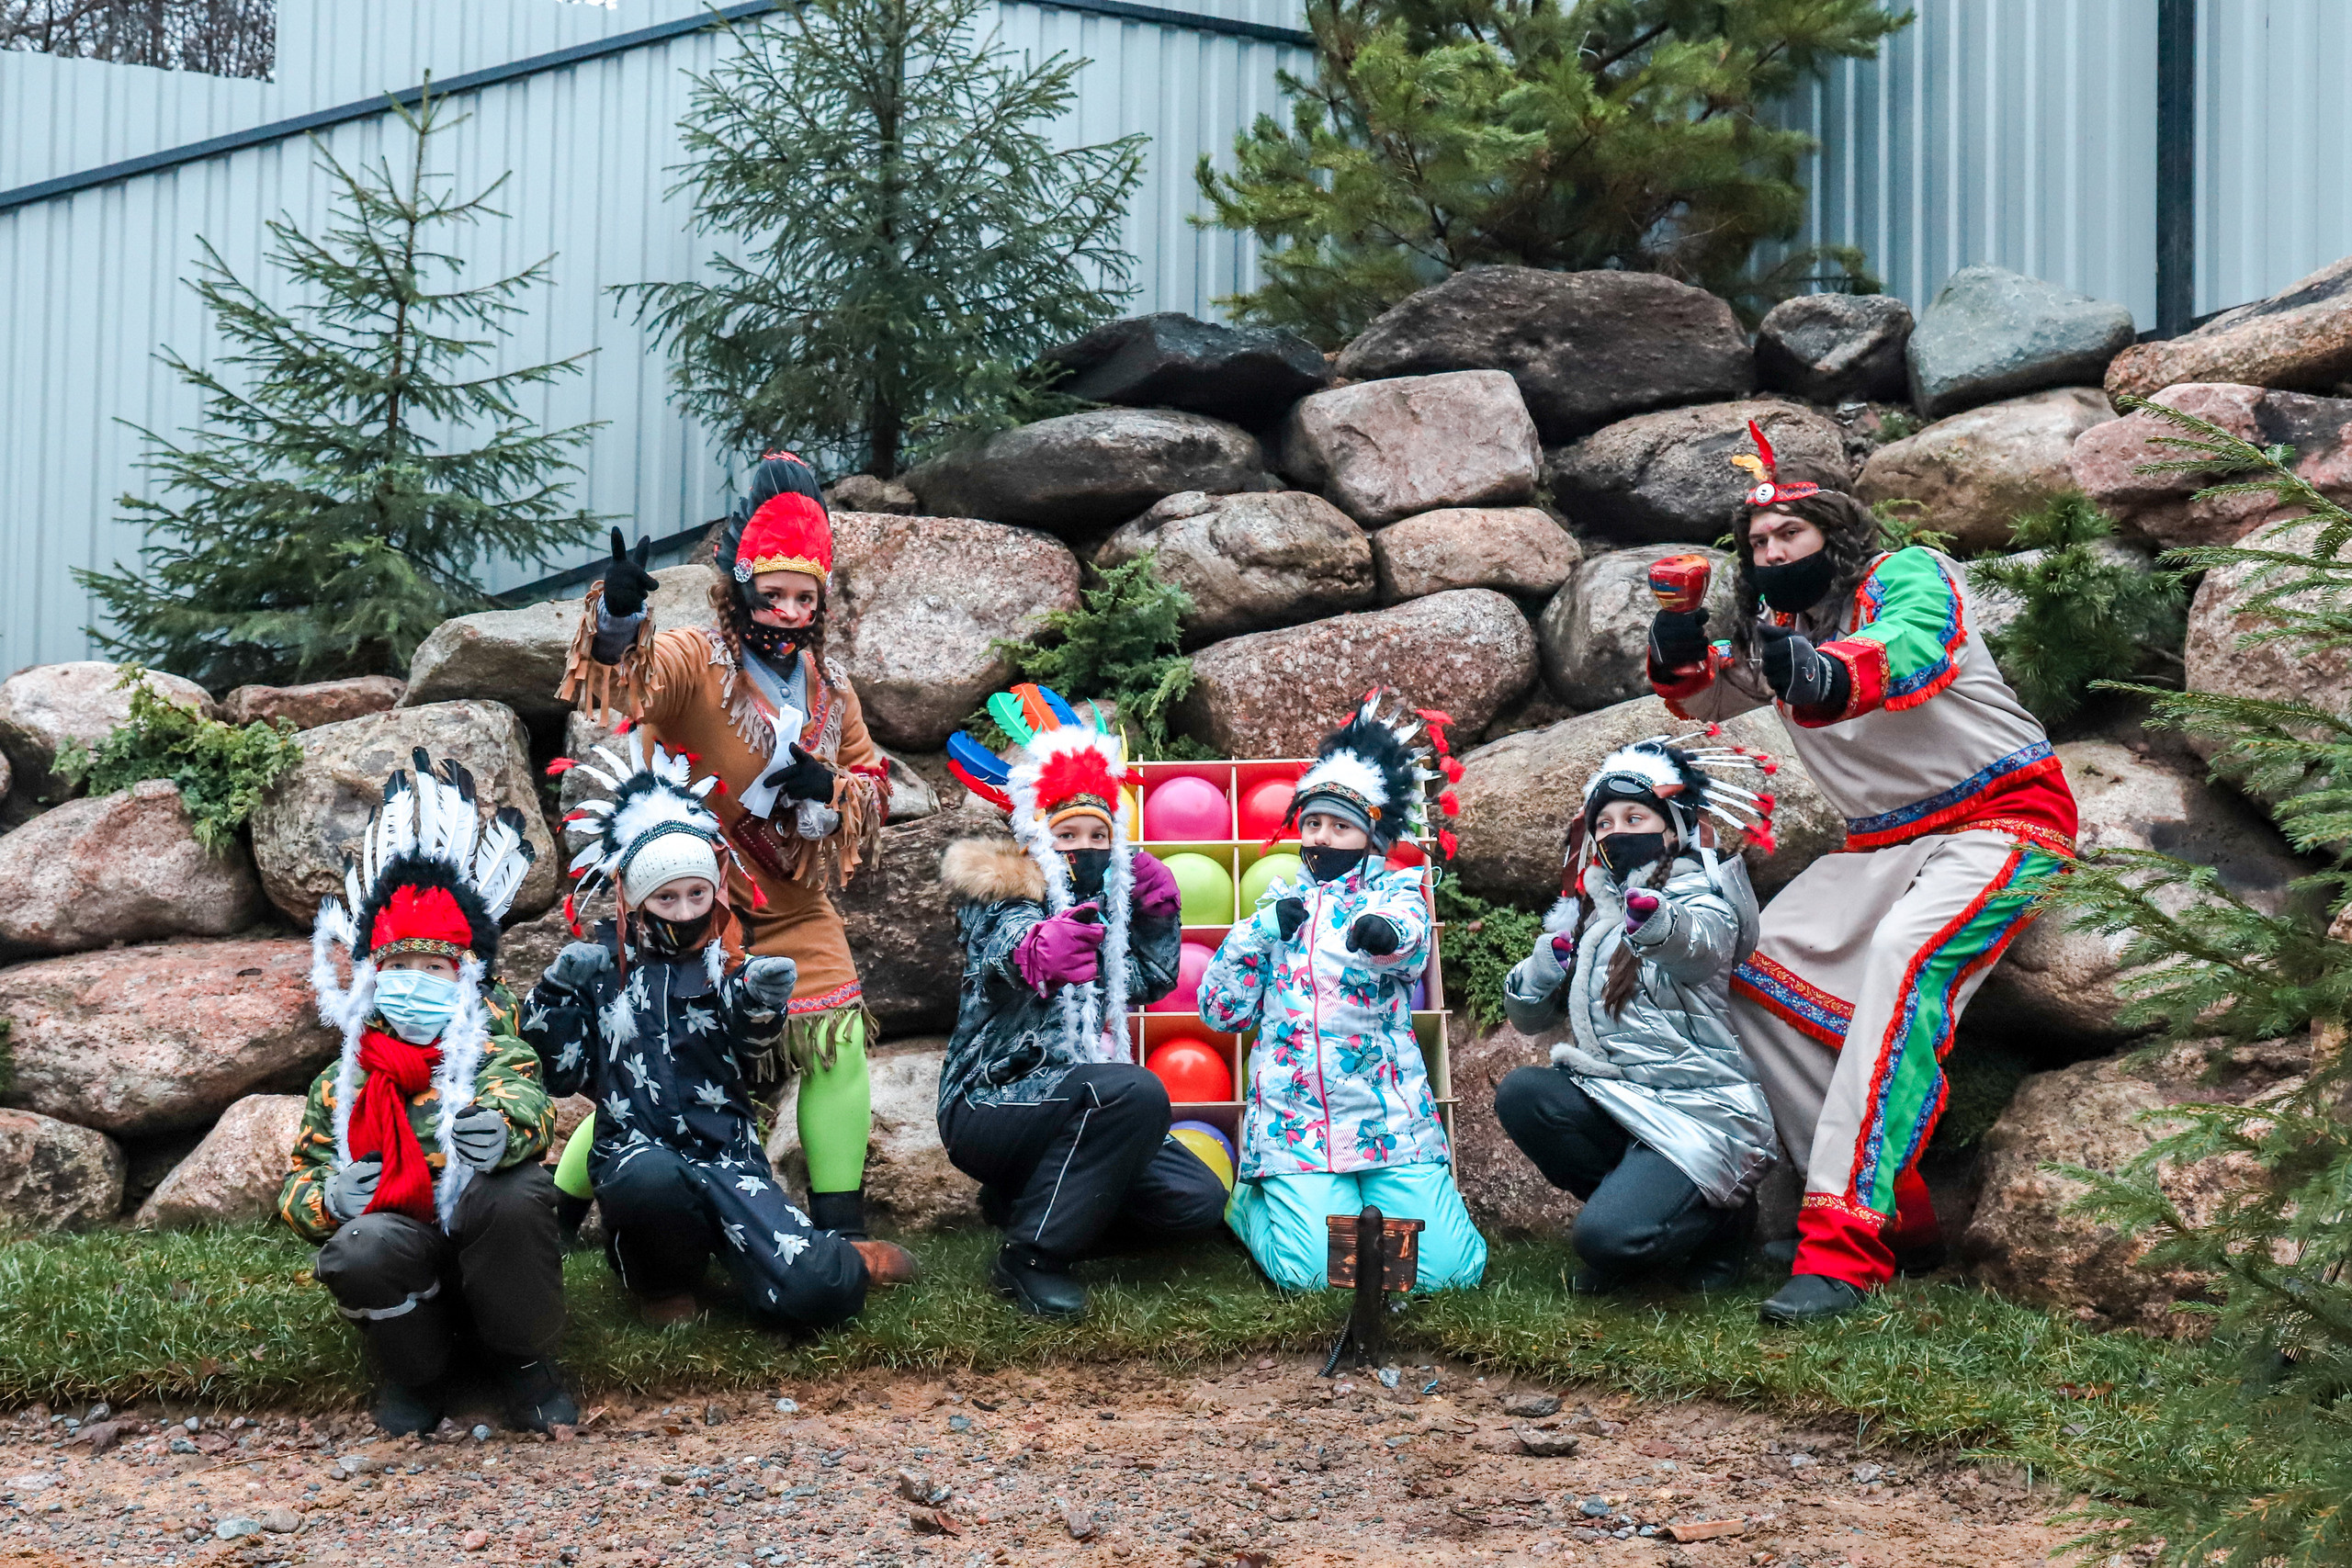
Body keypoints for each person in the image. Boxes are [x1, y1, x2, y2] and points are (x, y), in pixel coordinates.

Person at [1647, 421, 2077, 1324]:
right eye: (1756, 543)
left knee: (1903, 965)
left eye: (1786, 535)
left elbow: (1907, 651)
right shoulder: (1781, 631)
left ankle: (1842, 1247)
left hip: (2000, 818)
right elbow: (1700, 698)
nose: (1769, 551)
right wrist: (1680, 621)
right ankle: (1900, 1214)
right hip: (1881, 845)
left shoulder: (1906, 575)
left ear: (1831, 535)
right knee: (1746, 979)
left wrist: (1812, 667)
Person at [557, 452, 912, 1282]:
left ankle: (840, 1231)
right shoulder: (695, 659)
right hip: (693, 901)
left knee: (838, 1041)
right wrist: (615, 614)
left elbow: (872, 784)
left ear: (821, 602)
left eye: (804, 598)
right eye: (772, 595)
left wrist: (837, 785)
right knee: (656, 1062)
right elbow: (624, 678)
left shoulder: (834, 690)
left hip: (796, 898)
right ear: (739, 590)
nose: (787, 611)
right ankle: (556, 1213)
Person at [520, 735, 889, 1330]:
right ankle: (663, 1285)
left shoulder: (726, 960)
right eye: (667, 896)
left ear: (714, 888)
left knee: (816, 1297)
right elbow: (558, 1071)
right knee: (649, 1180)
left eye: (696, 892)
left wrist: (760, 1002)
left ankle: (845, 1261)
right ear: (636, 899)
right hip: (639, 1158)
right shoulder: (597, 965)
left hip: (727, 1157)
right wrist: (554, 994)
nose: (685, 908)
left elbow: (746, 1055)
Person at [281, 751, 574, 1437]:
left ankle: (523, 1363)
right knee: (358, 1248)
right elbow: (301, 1180)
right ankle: (419, 1372)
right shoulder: (342, 1081)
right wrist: (329, 1198)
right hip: (404, 1247)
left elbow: (529, 1101)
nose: (414, 981)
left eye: (433, 967)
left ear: (465, 973)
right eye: (399, 967)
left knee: (518, 1191)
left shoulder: (493, 1048)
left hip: (485, 1242)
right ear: (372, 974)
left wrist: (504, 1128)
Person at [934, 684, 1227, 1317]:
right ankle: (1031, 1256)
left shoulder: (1108, 904)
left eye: (1100, 832)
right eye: (1069, 833)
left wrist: (1154, 917)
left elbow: (1146, 980)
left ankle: (1027, 1205)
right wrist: (1040, 949)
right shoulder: (1004, 890)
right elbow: (1001, 947)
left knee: (1196, 1201)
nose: (1086, 845)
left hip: (1075, 1103)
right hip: (992, 1098)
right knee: (1136, 1090)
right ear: (1039, 836)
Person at [1198, 692, 1487, 1292]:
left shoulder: (1399, 891)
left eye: (1341, 825)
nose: (1323, 836)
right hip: (1295, 1128)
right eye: (1313, 823)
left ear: (1374, 836)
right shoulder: (1277, 906)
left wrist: (1383, 935)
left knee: (1448, 1274)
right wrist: (1257, 935)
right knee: (1316, 1277)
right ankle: (1249, 1207)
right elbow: (1220, 1010)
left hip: (1389, 1123)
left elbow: (1408, 941)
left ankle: (1363, 1236)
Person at [1492, 738, 1780, 1294]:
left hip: (1702, 1114)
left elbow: (1701, 943)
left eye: (1634, 816)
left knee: (1606, 1243)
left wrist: (1656, 923)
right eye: (1604, 823)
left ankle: (1716, 1224)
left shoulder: (1703, 892)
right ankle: (1653, 1218)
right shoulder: (1595, 914)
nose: (1616, 832)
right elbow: (1528, 1021)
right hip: (1625, 1104)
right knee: (1524, 1094)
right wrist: (1540, 974)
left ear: (1671, 828)